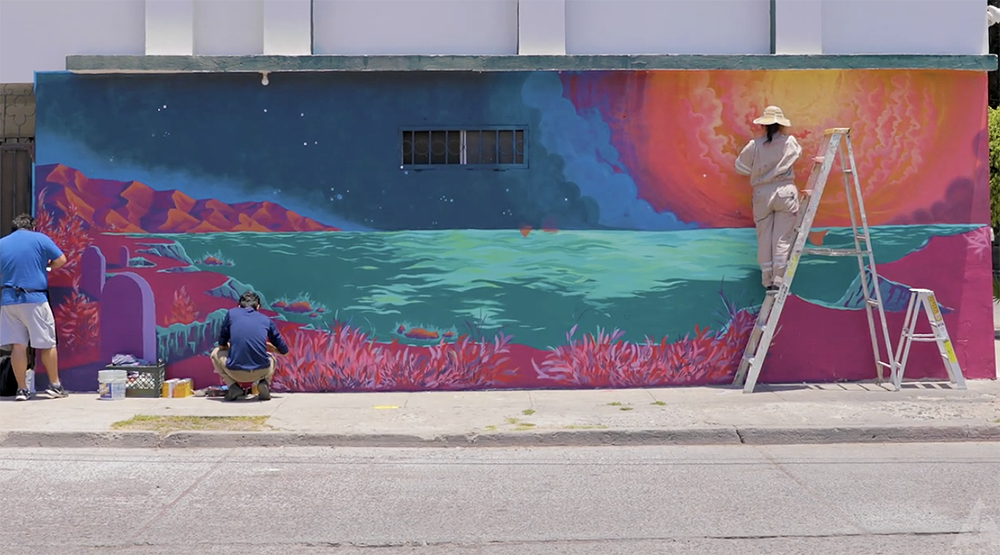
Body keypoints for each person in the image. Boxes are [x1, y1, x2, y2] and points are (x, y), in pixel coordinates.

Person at [734, 105, 803, 293]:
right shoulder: (790, 142)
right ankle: (779, 279)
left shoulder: (754, 145)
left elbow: (740, 168)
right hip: (785, 192)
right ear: (781, 125)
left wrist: (759, 170)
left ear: (763, 125)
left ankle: (767, 279)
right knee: (782, 238)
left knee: (764, 237)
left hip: (761, 194)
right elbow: (797, 154)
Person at [0, 213, 69, 401]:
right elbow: (61, 260)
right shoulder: (40, 239)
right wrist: (46, 266)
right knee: (47, 343)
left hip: (8, 300)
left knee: (18, 346)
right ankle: (55, 385)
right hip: (34, 298)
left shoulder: (2, 243)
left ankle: (22, 389)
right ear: (32, 227)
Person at [211, 291, 288, 402]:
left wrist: (231, 346)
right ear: (258, 307)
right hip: (261, 371)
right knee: (271, 358)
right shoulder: (266, 320)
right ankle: (264, 383)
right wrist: (272, 348)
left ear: (238, 306)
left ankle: (233, 387)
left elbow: (221, 344)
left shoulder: (231, 314)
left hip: (235, 372)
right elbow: (284, 350)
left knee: (215, 353)